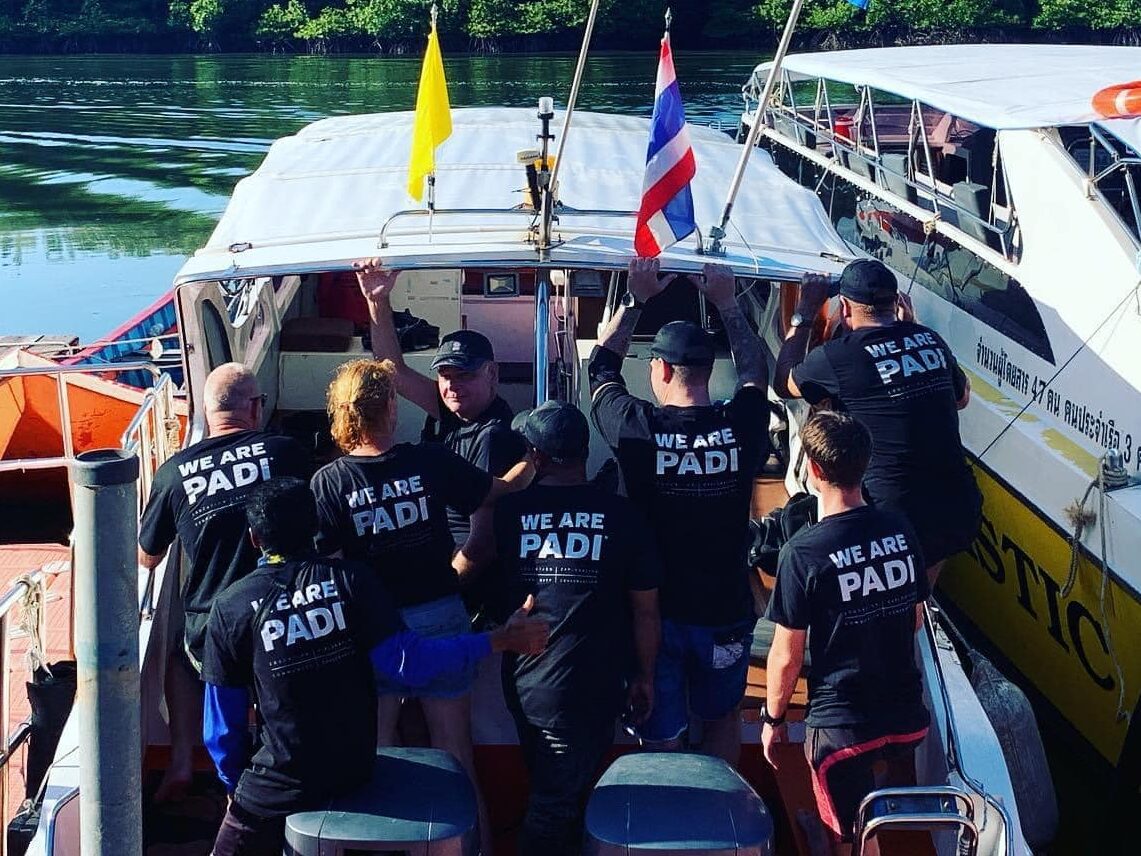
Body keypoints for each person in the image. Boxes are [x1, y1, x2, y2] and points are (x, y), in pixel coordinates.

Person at [202, 478, 549, 856]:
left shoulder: (231, 606)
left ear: (254, 538)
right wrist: (497, 639)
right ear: (314, 526)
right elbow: (410, 664)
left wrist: (234, 786)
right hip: (354, 772)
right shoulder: (353, 581)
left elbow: (221, 729)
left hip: (276, 785)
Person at [309, 358, 532, 855]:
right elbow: (500, 491)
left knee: (381, 758)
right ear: (391, 407)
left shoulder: (328, 483)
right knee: (457, 758)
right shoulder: (429, 460)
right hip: (440, 617)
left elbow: (332, 570)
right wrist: (532, 460)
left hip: (374, 631)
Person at [588, 258, 770, 765]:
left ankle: (667, 807)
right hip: (725, 610)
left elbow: (600, 370)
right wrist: (728, 303)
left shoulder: (636, 427)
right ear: (708, 370)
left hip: (654, 616)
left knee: (659, 731)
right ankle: (721, 808)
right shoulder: (744, 425)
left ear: (663, 370)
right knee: (722, 719)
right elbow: (755, 373)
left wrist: (635, 299)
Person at [459, 401, 661, 856]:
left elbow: (478, 566)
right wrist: (645, 676)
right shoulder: (625, 516)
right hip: (590, 687)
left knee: (554, 802)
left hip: (527, 685)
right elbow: (646, 611)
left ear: (536, 457)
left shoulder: (509, 514)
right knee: (557, 804)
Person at [138, 362, 312, 801]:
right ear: (254, 408)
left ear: (206, 412)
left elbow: (148, 556)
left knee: (180, 658)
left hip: (212, 629)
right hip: (282, 617)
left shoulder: (173, 473)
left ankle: (182, 760)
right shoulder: (286, 452)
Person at [762, 410, 930, 854]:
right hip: (908, 719)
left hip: (844, 734)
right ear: (864, 464)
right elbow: (914, 618)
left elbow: (786, 657)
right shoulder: (900, 528)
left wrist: (773, 721)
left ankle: (846, 835)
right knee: (861, 780)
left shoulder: (802, 554)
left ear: (814, 470)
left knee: (851, 839)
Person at [773, 259, 981, 586]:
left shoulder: (839, 356)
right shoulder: (930, 339)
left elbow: (784, 384)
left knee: (893, 598)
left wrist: (804, 313)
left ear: (844, 307)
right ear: (897, 302)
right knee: (916, 591)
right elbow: (961, 398)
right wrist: (912, 331)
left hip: (891, 515)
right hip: (957, 508)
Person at [353, 258, 527, 546]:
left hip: (454, 547)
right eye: (446, 375)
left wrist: (452, 573)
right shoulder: (451, 406)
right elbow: (391, 371)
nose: (453, 386)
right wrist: (376, 300)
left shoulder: (493, 436)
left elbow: (482, 536)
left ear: (492, 374)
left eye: (465, 375)